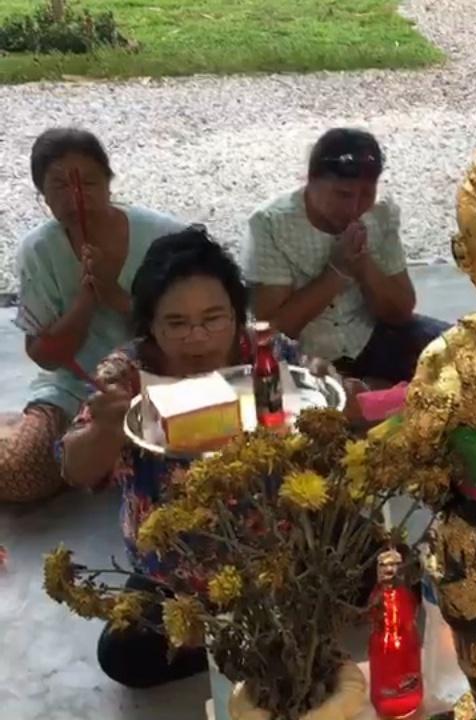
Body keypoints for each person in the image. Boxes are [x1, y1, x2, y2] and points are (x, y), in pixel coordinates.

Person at [58, 227, 301, 688]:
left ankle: (250, 629)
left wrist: (336, 395)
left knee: (384, 567)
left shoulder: (267, 354)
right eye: (177, 324)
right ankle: (244, 636)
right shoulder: (127, 375)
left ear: (237, 315)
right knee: (124, 654)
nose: (198, 339)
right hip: (176, 573)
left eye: (214, 319)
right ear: (150, 325)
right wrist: (107, 428)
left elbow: (316, 413)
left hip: (276, 554)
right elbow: (74, 468)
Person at [2, 128, 187, 504]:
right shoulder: (39, 250)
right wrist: (86, 298)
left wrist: (115, 295)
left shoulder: (166, 237)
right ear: (42, 196)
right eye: (59, 186)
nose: (76, 197)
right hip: (76, 390)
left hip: (162, 382)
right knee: (20, 474)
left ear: (108, 181)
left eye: (88, 182)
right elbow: (46, 356)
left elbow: (196, 328)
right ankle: (23, 430)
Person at [243, 128, 447, 386]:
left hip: (369, 337)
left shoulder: (380, 213)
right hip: (305, 354)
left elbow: (401, 311)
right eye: (342, 195)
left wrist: (363, 264)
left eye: (366, 195)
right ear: (310, 181)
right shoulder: (270, 223)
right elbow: (273, 332)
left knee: (465, 353)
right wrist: (336, 272)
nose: (354, 208)